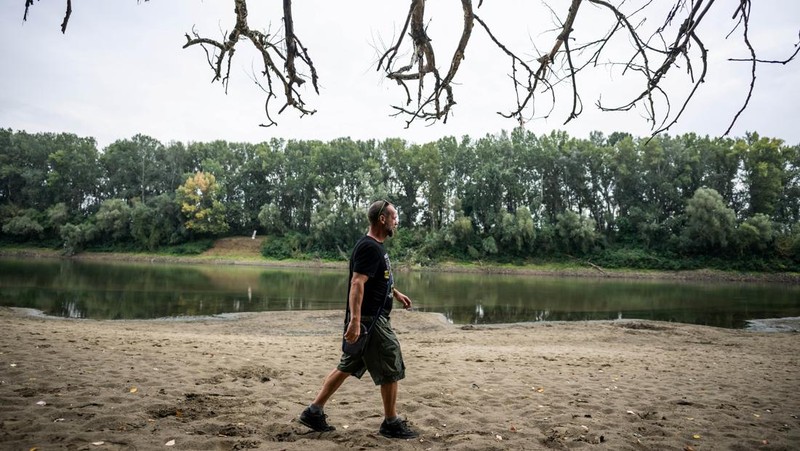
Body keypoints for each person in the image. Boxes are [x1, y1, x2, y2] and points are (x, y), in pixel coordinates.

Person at [299, 200, 419, 439]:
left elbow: (378, 279)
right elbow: (357, 283)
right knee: (391, 361)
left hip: (369, 319)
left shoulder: (377, 247)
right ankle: (391, 422)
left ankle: (313, 411)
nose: (397, 220)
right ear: (382, 219)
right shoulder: (368, 247)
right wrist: (355, 321)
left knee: (348, 364)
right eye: (393, 216)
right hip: (369, 321)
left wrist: (395, 292)